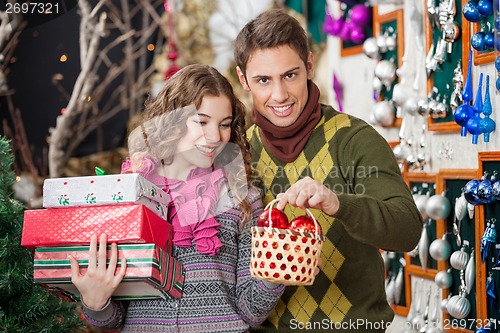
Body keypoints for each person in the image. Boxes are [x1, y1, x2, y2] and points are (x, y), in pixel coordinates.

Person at [234, 8, 423, 333]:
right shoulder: (239, 153)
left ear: (309, 65)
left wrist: (339, 205)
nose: (279, 95)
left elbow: (408, 230)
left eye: (290, 75)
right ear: (243, 80)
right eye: (263, 80)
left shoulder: (353, 139)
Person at [69, 64, 285, 333]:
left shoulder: (242, 198)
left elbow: (249, 311)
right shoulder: (131, 191)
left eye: (225, 125)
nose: (216, 136)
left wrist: (277, 273)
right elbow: (115, 320)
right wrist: (95, 303)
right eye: (201, 121)